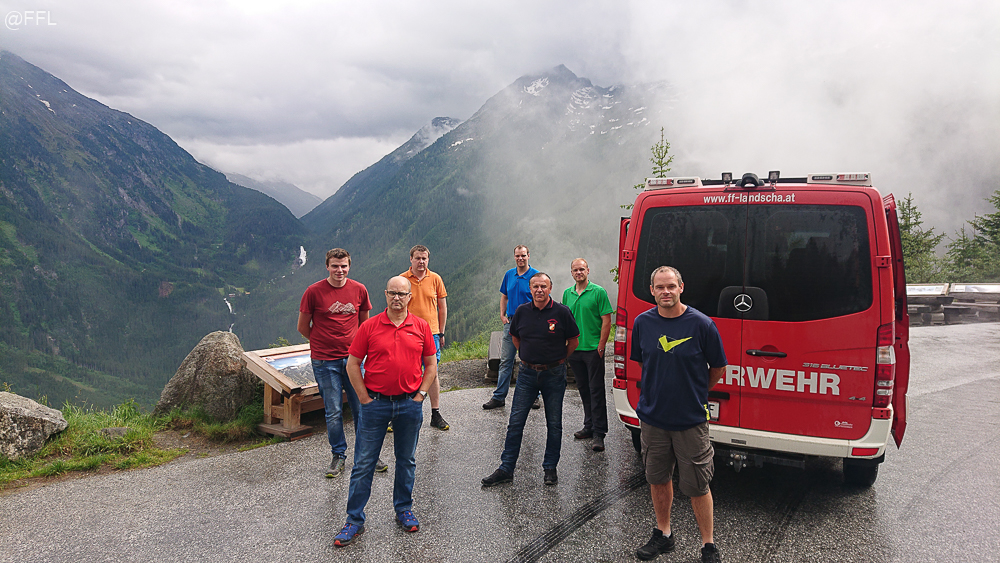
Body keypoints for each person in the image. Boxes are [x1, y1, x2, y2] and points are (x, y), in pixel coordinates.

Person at [630, 266, 727, 563]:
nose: (666, 292)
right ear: (652, 291)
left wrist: (695, 392)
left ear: (681, 287)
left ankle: (708, 545)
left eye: (671, 286)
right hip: (653, 419)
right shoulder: (642, 323)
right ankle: (664, 534)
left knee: (697, 485)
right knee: (658, 479)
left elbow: (718, 368)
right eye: (660, 287)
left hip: (690, 420)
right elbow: (643, 363)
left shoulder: (702, 324)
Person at [334, 276, 439, 547]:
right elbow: (353, 364)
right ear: (385, 295)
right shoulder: (369, 327)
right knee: (363, 463)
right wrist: (364, 399)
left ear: (409, 297)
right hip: (375, 405)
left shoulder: (421, 326)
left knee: (406, 460)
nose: (397, 298)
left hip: (409, 404)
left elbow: (431, 365)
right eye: (392, 293)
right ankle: (354, 520)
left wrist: (420, 396)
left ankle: (403, 509)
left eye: (401, 294)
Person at [481, 272, 579, 487]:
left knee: (554, 423)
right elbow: (515, 338)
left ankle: (550, 467)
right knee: (515, 423)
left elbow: (573, 341)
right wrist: (526, 356)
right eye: (535, 286)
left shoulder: (562, 312)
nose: (539, 290)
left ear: (550, 288)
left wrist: (560, 359)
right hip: (526, 374)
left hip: (554, 374)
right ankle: (506, 468)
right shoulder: (522, 311)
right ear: (530, 289)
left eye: (543, 286)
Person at [298, 248, 386, 478]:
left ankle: (368, 454)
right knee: (334, 411)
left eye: (343, 266)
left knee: (362, 406)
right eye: (335, 266)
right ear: (327, 266)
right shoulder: (313, 292)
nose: (339, 270)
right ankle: (338, 455)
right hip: (324, 361)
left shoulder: (359, 290)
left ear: (349, 266)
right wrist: (322, 343)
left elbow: (364, 325)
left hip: (353, 360)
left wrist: (360, 350)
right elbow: (302, 326)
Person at [561, 258, 613, 452]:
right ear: (571, 272)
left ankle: (599, 433)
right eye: (575, 270)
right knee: (583, 389)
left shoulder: (598, 292)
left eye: (582, 269)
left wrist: (601, 346)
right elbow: (564, 321)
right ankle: (589, 425)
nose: (578, 272)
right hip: (575, 350)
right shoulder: (567, 293)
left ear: (588, 271)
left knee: (596, 390)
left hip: (593, 350)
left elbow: (606, 320)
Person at [483, 245, 539, 410]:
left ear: (528, 256)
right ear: (514, 257)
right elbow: (504, 296)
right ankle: (499, 397)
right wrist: (502, 315)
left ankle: (534, 396)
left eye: (523, 255)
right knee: (506, 361)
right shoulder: (509, 274)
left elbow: (542, 299)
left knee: (531, 361)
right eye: (517, 256)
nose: (520, 258)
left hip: (530, 324)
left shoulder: (536, 276)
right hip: (511, 322)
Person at [400, 244, 450, 430]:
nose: (421, 262)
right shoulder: (402, 279)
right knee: (405, 371)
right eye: (417, 258)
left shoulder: (435, 278)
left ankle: (435, 413)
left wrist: (441, 332)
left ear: (428, 259)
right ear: (411, 259)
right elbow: (396, 307)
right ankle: (401, 413)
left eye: (424, 258)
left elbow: (442, 307)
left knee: (432, 373)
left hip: (432, 333)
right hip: (408, 333)